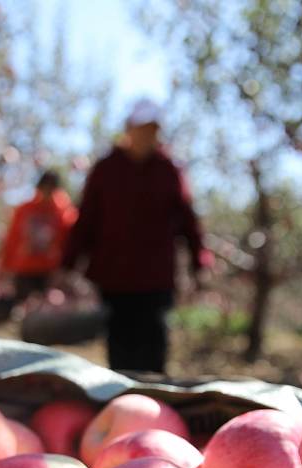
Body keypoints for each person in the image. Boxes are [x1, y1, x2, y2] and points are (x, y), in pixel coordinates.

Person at [60, 99, 210, 375]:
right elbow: (86, 221)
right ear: (129, 129)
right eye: (143, 128)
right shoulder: (106, 169)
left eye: (153, 129)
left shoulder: (168, 170)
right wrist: (67, 265)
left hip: (157, 278)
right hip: (115, 277)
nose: (148, 135)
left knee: (154, 346)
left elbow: (188, 220)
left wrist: (199, 262)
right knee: (120, 348)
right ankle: (124, 406)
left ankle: (155, 404)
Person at [0, 170, 77, 301]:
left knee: (48, 311)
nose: (47, 192)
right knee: (23, 307)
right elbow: (12, 239)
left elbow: (69, 242)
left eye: (51, 188)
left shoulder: (64, 213)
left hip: (50, 272)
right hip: (24, 269)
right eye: (44, 187)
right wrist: (4, 266)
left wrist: (65, 269)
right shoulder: (25, 210)